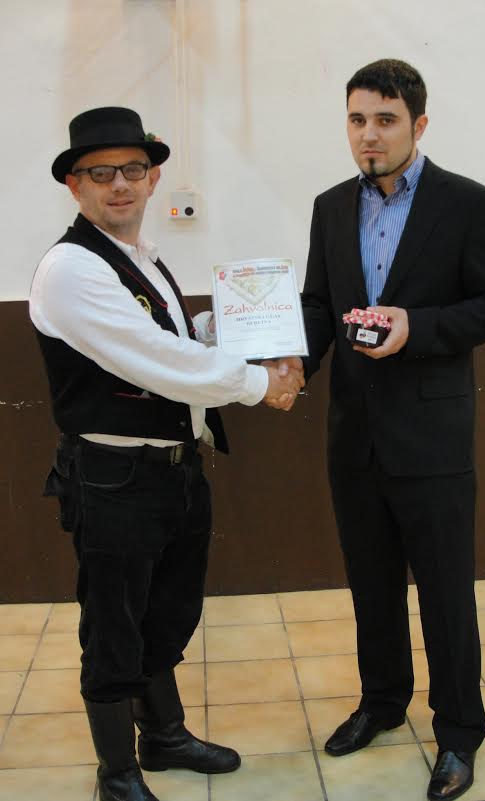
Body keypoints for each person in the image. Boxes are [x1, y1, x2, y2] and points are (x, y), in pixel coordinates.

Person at [30, 106, 302, 801]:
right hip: (113, 478)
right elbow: (156, 358)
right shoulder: (70, 268)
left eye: (133, 169)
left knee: (168, 612)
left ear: (153, 178)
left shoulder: (140, 257)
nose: (119, 184)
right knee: (114, 626)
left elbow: (176, 336)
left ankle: (164, 734)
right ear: (74, 185)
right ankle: (117, 773)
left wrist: (245, 325)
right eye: (100, 173)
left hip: (175, 469)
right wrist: (258, 383)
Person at [279, 59, 485, 800]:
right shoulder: (330, 207)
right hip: (353, 435)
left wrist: (415, 326)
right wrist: (294, 364)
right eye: (357, 119)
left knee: (445, 594)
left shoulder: (467, 203)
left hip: (432, 439)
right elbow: (318, 303)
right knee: (371, 585)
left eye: (385, 120)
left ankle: (459, 732)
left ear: (418, 125)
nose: (369, 134)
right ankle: (382, 702)